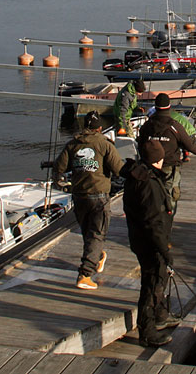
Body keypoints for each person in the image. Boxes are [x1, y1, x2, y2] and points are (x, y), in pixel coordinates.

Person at [53, 110, 124, 290]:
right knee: (97, 233)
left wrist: (60, 181)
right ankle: (85, 274)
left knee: (88, 232)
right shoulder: (105, 145)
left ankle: (97, 257)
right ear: (100, 128)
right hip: (99, 196)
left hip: (79, 196)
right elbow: (119, 170)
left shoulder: (72, 144)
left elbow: (59, 167)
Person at [120, 139, 180, 347]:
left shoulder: (136, 176)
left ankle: (161, 314)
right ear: (158, 160)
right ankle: (147, 331)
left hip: (139, 237)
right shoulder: (149, 184)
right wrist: (165, 251)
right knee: (151, 283)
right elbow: (153, 221)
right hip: (149, 242)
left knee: (157, 279)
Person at [137, 93, 196, 218]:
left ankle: (151, 219)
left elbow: (140, 143)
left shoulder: (147, 126)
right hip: (169, 167)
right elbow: (188, 143)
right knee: (170, 196)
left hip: (149, 167)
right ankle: (167, 220)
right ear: (169, 107)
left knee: (150, 195)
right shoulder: (175, 126)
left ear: (155, 107)